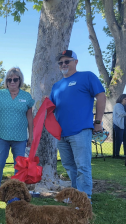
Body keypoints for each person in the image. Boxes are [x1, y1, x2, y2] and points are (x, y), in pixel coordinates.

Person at [49, 50, 106, 200]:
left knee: (82, 166)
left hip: (81, 131)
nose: (63, 64)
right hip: (62, 134)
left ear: (76, 62)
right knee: (69, 166)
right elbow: (51, 108)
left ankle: (85, 200)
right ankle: (77, 196)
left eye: (67, 61)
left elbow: (101, 95)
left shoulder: (87, 76)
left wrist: (98, 122)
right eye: (60, 62)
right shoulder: (56, 86)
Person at [0, 67, 34, 201]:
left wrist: (30, 135)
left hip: (20, 137)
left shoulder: (26, 97)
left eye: (15, 79)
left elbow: (30, 118)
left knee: (19, 167)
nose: (12, 82)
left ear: (20, 80)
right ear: (6, 81)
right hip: (1, 136)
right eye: (9, 79)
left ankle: (15, 193)